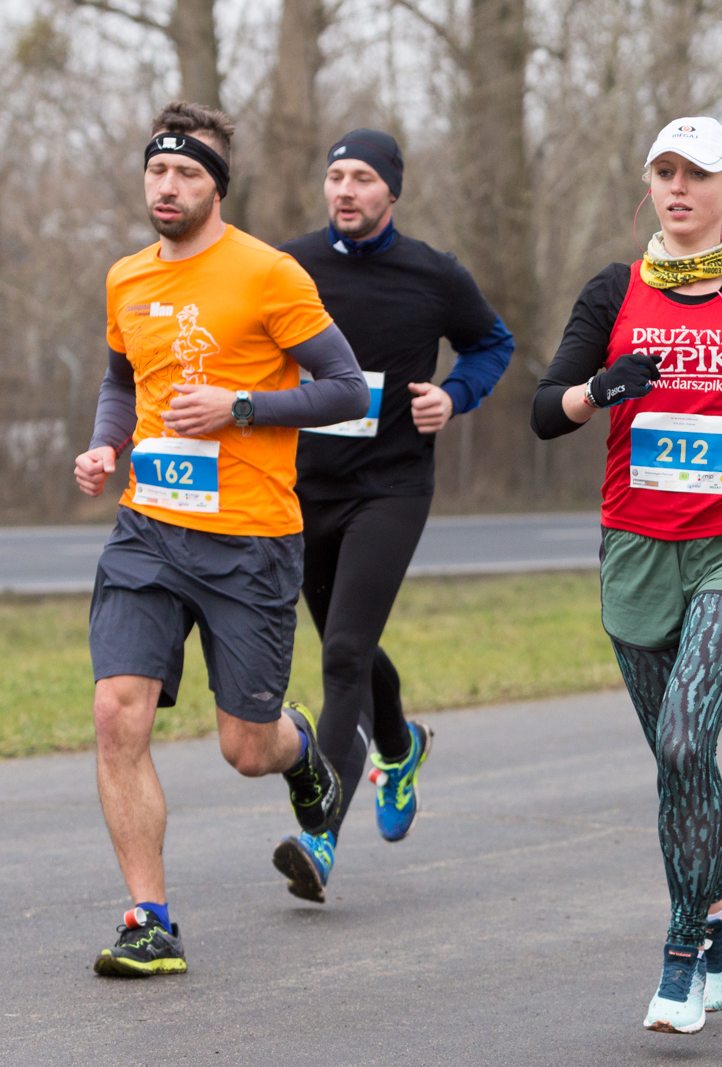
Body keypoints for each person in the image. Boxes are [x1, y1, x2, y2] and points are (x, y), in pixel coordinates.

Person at [531, 116, 722, 1033]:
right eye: (664, 172)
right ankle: (717, 903)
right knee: (679, 764)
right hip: (635, 547)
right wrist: (603, 389)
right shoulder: (614, 289)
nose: (678, 188)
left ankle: (680, 946)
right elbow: (549, 409)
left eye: (697, 175)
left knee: (681, 739)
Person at [73, 102, 370, 976]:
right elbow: (122, 376)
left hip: (249, 538)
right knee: (114, 710)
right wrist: (105, 442)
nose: (168, 188)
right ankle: (147, 917)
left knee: (246, 746)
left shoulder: (268, 275)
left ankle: (303, 753)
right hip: (148, 531)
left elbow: (349, 389)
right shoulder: (127, 278)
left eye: (187, 175)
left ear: (217, 186)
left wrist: (244, 407)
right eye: (157, 172)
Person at [270, 129, 515, 902]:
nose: (345, 190)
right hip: (304, 487)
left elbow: (491, 344)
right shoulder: (289, 267)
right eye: (335, 175)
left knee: (342, 653)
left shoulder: (434, 275)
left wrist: (456, 393)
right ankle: (399, 746)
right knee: (350, 641)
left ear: (393, 193)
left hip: (392, 486)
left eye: (363, 178)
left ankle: (320, 834)